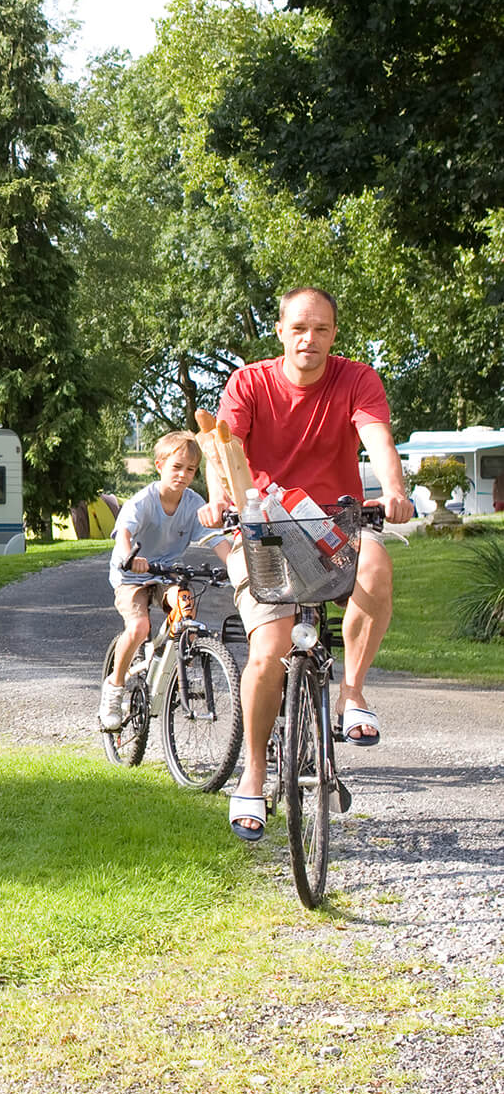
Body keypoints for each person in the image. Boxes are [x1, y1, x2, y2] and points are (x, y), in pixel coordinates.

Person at [200, 287, 412, 841]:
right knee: (268, 651)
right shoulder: (249, 383)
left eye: (320, 329)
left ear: (334, 334)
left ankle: (352, 695)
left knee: (377, 563)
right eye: (299, 328)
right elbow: (224, 451)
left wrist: (393, 489)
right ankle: (251, 774)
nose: (309, 339)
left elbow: (378, 439)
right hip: (263, 528)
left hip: (331, 527)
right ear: (280, 331)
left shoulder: (357, 380)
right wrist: (221, 497)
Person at [100, 431, 230, 731]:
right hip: (131, 575)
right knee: (139, 626)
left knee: (185, 608)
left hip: (167, 573)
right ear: (159, 465)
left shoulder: (193, 504)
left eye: (190, 469)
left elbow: (217, 542)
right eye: (177, 467)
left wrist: (236, 567)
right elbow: (123, 535)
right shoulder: (143, 501)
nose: (183, 475)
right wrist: (130, 556)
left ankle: (174, 665)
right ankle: (115, 687)